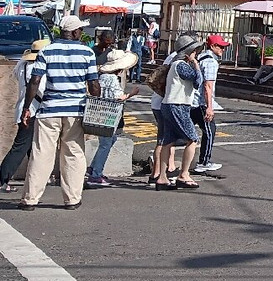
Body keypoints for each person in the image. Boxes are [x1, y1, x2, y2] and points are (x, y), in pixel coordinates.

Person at [19, 15, 99, 211]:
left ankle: (30, 199)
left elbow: (35, 81)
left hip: (49, 111)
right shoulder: (87, 53)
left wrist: (26, 108)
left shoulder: (47, 51)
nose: (81, 33)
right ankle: (72, 199)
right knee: (73, 154)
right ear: (73, 32)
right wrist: (96, 103)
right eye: (79, 29)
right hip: (75, 111)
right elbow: (94, 85)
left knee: (41, 154)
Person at [152, 35, 204, 190]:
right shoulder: (181, 65)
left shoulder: (174, 64)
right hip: (178, 105)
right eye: (195, 51)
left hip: (167, 105)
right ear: (188, 52)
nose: (196, 54)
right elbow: (197, 81)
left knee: (168, 141)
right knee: (192, 139)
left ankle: (162, 178)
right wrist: (196, 65)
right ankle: (184, 174)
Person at [85, 48, 140, 187]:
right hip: (109, 115)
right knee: (106, 143)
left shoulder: (102, 76)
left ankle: (94, 168)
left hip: (100, 113)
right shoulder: (112, 79)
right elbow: (118, 98)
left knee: (108, 140)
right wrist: (131, 94)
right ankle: (95, 174)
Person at [0, 39, 50, 192]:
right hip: (32, 111)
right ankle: (2, 179)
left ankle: (36, 179)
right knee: (21, 146)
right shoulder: (37, 68)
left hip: (23, 108)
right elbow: (40, 90)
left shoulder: (22, 65)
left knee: (30, 147)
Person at [191, 34, 228, 173]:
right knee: (209, 130)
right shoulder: (211, 62)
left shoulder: (200, 57)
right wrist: (209, 107)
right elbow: (208, 86)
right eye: (221, 47)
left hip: (192, 100)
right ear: (213, 46)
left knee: (187, 134)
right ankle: (204, 161)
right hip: (200, 102)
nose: (223, 50)